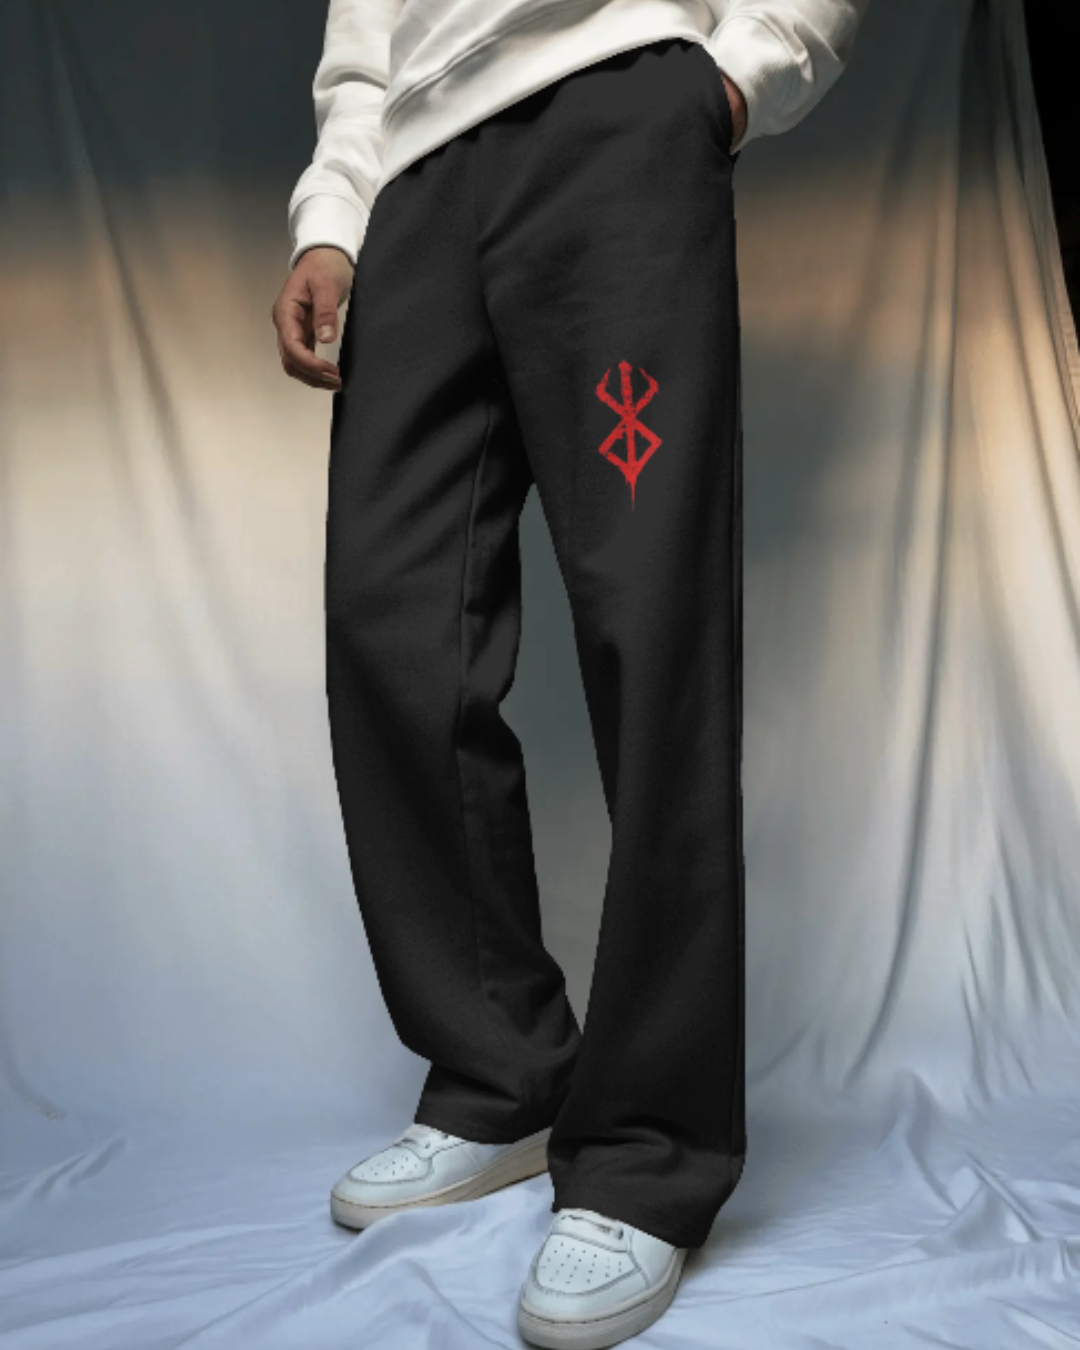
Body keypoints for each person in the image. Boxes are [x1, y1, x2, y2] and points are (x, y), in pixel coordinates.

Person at [272, 3, 868, 1345]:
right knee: (391, 622)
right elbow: (365, 35)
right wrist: (334, 213)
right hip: (414, 183)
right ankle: (500, 1074)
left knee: (650, 633)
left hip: (613, 117)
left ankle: (652, 1147)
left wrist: (745, 70)